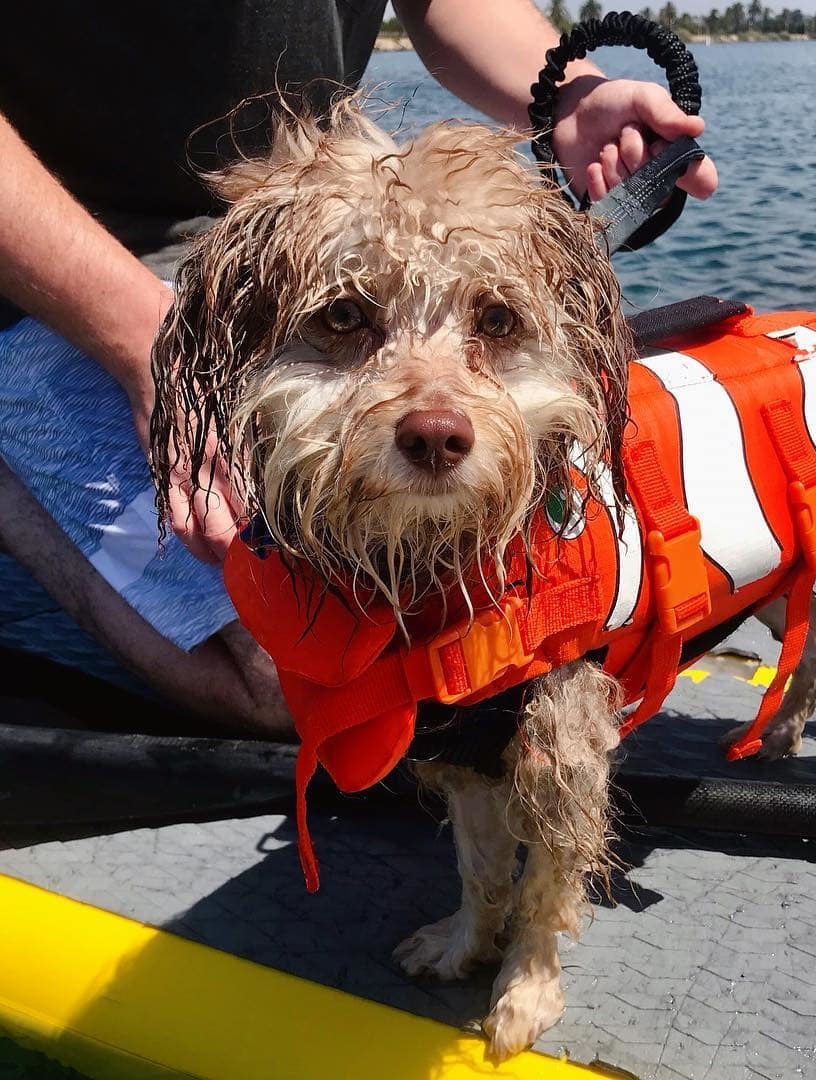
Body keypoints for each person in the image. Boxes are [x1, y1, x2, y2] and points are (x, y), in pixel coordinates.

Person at [0, 0, 717, 737]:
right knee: (302, 680)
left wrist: (569, 94)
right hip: (48, 283)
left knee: (439, 651)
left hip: (312, 247)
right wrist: (143, 344)